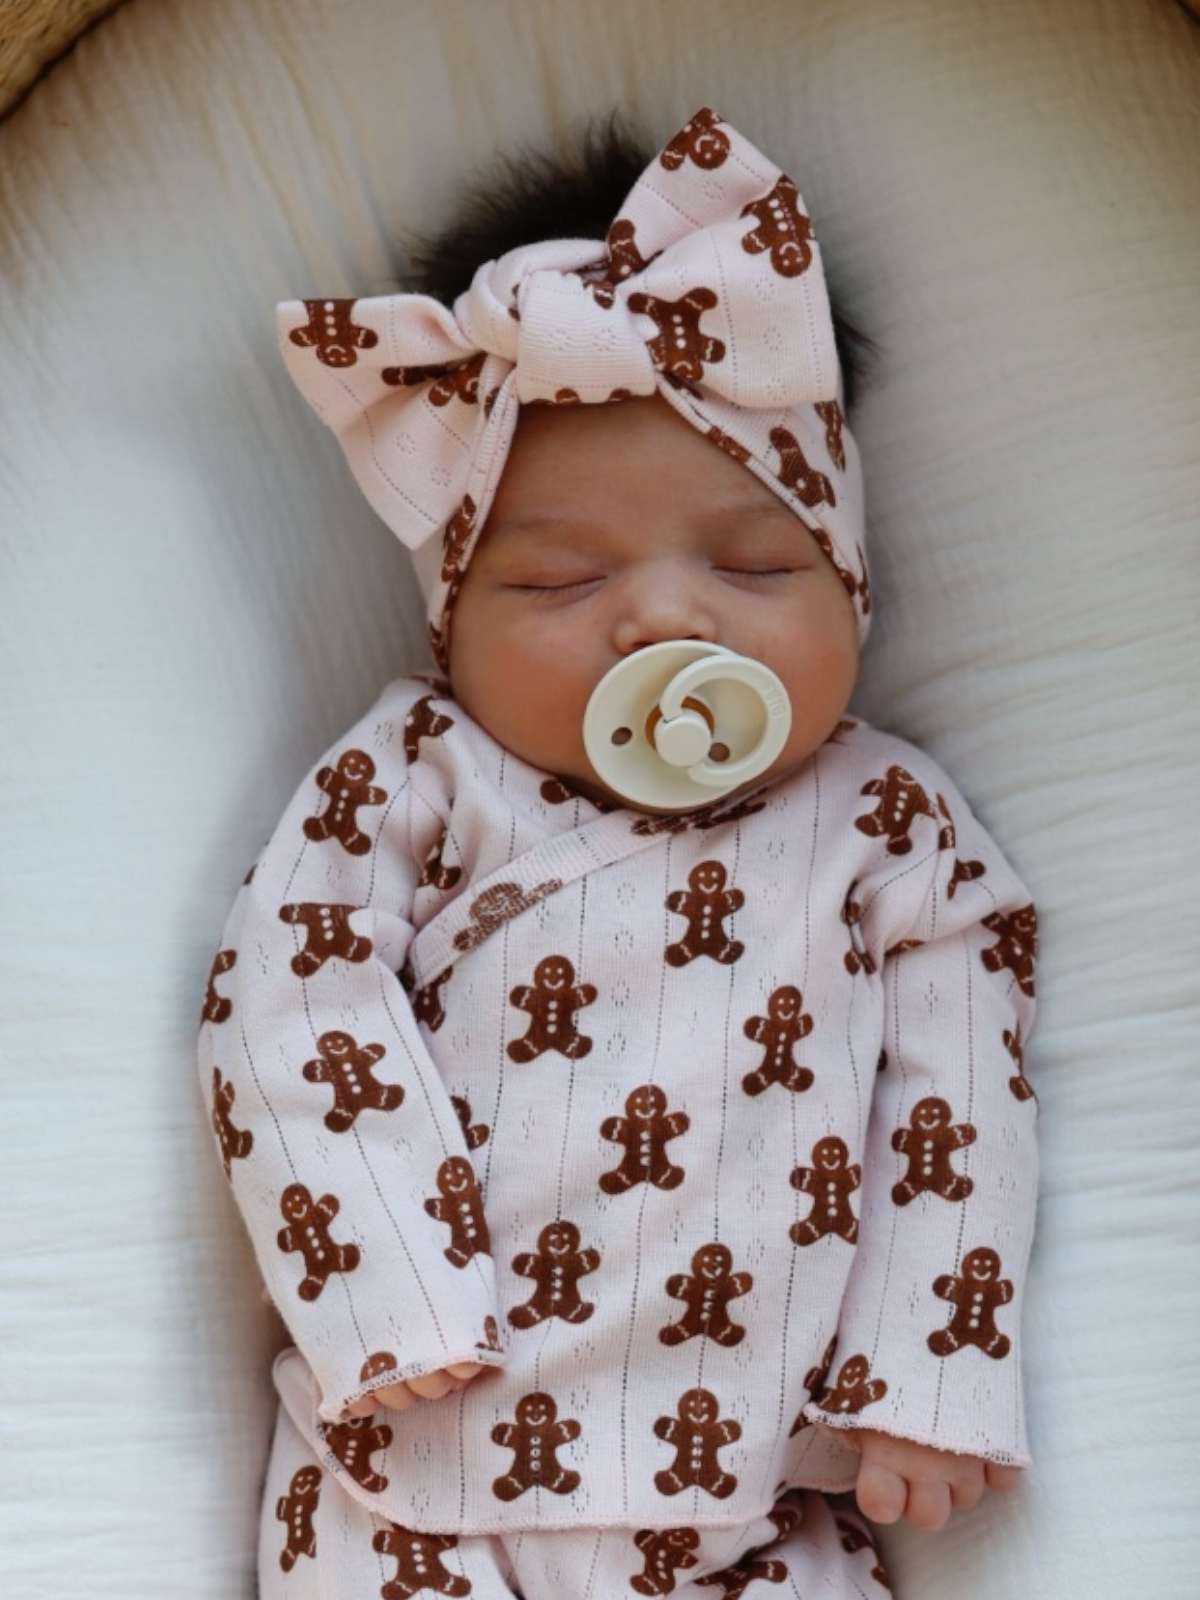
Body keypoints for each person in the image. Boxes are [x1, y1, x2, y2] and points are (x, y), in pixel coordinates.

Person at [199, 109, 1039, 1600]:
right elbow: (290, 1001)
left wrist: (930, 1366)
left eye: (757, 564)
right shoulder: (417, 780)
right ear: (449, 621)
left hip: (755, 1501)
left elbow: (962, 1098)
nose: (669, 622)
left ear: (849, 587)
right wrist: (383, 1286)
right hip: (412, 1478)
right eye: (562, 578)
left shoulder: (888, 826)